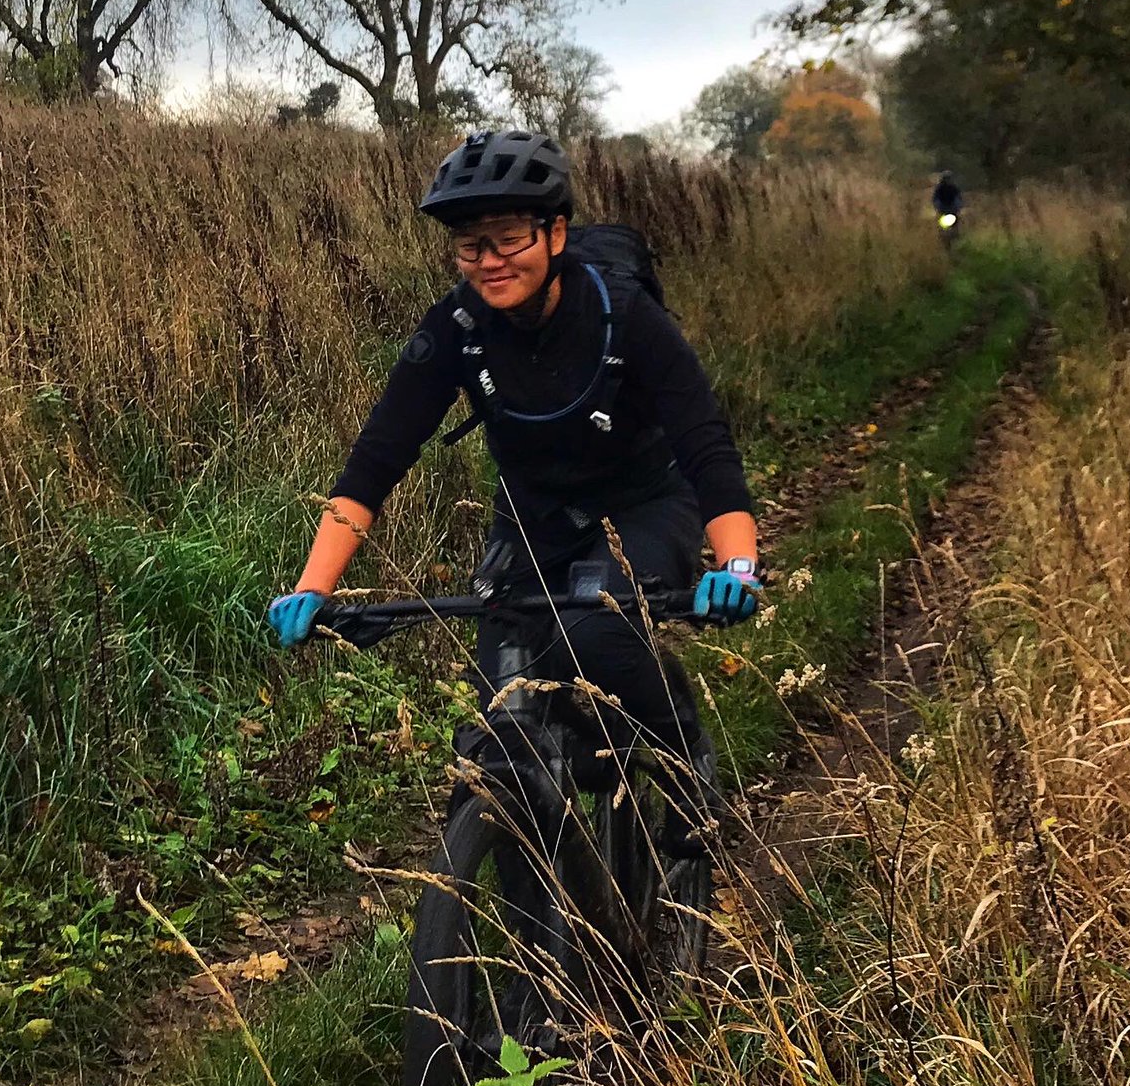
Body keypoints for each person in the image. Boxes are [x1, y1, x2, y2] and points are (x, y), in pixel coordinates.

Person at [267, 130, 762, 853]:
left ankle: (687, 759)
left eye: (508, 240)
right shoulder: (458, 330)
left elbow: (707, 450)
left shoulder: (625, 315)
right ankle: (538, 931)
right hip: (530, 524)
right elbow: (374, 463)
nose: (490, 262)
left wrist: (738, 566)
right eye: (472, 247)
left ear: (555, 232)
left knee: (593, 631)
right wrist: (313, 587)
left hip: (644, 507)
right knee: (495, 736)